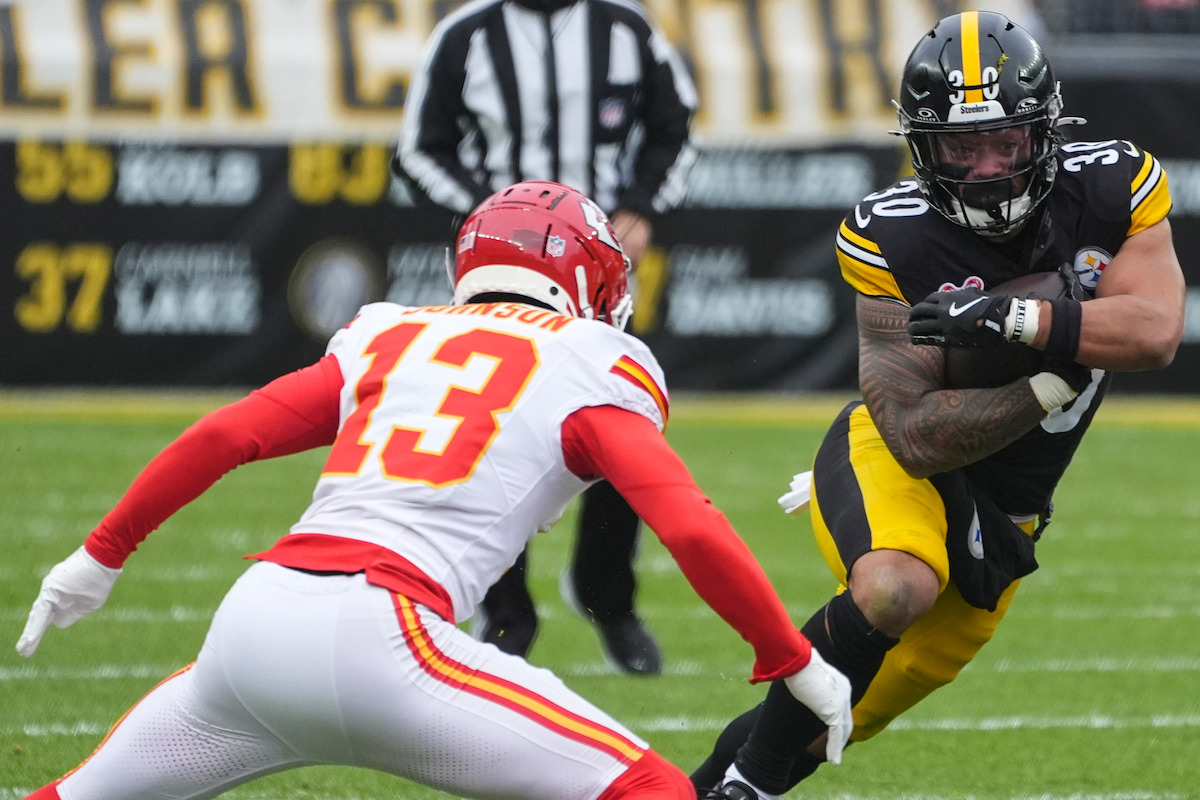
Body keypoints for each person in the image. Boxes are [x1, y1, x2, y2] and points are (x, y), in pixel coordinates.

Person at [14, 180, 852, 800]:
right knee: (653, 792)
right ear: (589, 279)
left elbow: (226, 435)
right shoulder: (594, 362)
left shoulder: (389, 332)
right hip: (386, 636)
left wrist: (99, 554)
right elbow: (690, 528)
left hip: (252, 630)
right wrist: (791, 656)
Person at [691, 11, 1186, 799]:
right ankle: (743, 787)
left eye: (1007, 142)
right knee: (895, 588)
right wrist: (1051, 375)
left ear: (1046, 133)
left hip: (1011, 517)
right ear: (923, 149)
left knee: (832, 717)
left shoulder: (1112, 182)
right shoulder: (892, 234)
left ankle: (698, 789)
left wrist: (1010, 319)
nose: (988, 169)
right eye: (962, 147)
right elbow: (914, 435)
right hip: (895, 462)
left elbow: (1156, 331)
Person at [393, 0, 698, 675]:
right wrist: (492, 214)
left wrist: (640, 207)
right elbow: (418, 150)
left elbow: (676, 128)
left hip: (601, 272)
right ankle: (505, 608)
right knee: (496, 431)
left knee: (622, 425)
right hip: (498, 273)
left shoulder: (626, 28)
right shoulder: (466, 33)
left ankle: (608, 598)